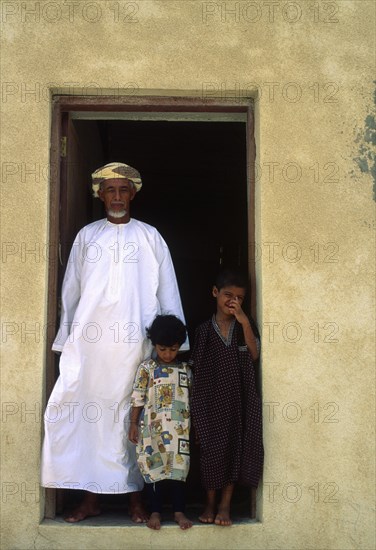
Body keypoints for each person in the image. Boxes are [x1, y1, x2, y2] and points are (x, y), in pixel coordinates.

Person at [41, 162, 188, 523]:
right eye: (111, 190)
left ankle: (135, 498)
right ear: (100, 194)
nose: (118, 197)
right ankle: (90, 497)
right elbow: (71, 292)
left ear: (133, 194)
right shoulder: (87, 236)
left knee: (133, 419)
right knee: (88, 416)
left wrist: (172, 345)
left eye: (124, 190)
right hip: (92, 346)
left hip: (136, 346)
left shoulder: (151, 237)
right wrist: (67, 337)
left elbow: (167, 289)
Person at [189, 267, 263, 526]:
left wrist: (243, 320)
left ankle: (225, 506)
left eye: (239, 298)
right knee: (211, 452)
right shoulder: (203, 331)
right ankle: (209, 503)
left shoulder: (246, 325)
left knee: (235, 450)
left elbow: (253, 355)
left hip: (239, 401)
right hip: (210, 403)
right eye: (228, 295)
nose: (233, 301)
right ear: (215, 293)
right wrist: (196, 412)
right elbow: (196, 372)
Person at [129, 315, 193, 530]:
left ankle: (178, 512)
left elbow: (193, 399)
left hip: (180, 432)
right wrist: (133, 423)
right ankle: (155, 511)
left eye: (173, 349)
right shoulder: (146, 368)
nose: (168, 354)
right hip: (152, 432)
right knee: (154, 469)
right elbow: (138, 396)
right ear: (154, 344)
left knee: (178, 470)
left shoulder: (185, 370)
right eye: (163, 349)